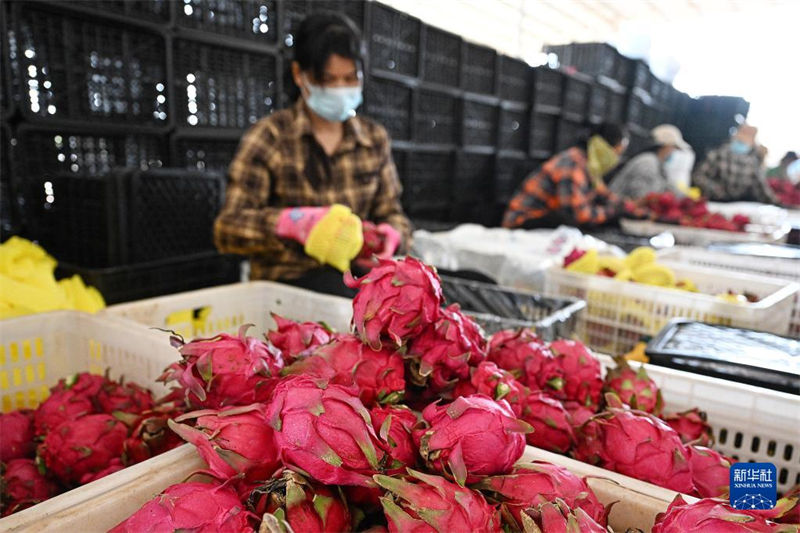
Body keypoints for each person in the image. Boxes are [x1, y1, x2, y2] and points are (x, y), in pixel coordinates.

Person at [213, 12, 411, 297]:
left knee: (450, 287)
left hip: (358, 276)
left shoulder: (374, 139)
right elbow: (228, 228)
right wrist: (293, 224)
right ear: (299, 75)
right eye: (328, 80)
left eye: (349, 78)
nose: (340, 89)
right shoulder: (270, 138)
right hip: (289, 283)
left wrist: (390, 236)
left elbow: (393, 213)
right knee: (344, 296)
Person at [503, 123, 630, 229]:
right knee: (566, 220)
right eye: (616, 152)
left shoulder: (589, 167)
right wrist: (613, 211)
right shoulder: (572, 164)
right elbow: (579, 215)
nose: (616, 159)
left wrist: (631, 208)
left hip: (541, 222)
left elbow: (604, 195)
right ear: (603, 146)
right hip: (521, 224)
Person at [691, 124, 778, 203]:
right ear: (734, 138)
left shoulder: (752, 163)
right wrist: (716, 190)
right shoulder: (718, 155)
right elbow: (698, 176)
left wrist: (776, 202)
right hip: (713, 201)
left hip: (736, 205)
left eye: (744, 142)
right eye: (740, 141)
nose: (741, 144)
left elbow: (760, 187)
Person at [609, 124, 691, 199]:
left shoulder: (658, 164)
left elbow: (668, 187)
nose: (674, 152)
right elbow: (639, 196)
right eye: (674, 148)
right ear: (665, 146)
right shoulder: (648, 163)